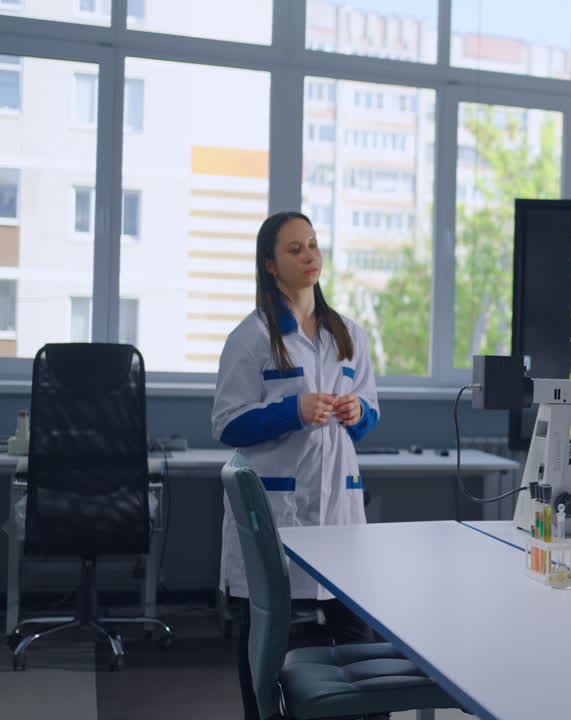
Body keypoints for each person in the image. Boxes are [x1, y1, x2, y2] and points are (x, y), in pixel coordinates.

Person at [212, 211, 381, 720]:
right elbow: (227, 423)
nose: (310, 255)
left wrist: (357, 413)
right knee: (265, 636)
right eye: (295, 249)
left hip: (339, 506)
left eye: (313, 245)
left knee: (355, 627)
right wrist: (293, 411)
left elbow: (369, 417)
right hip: (276, 509)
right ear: (270, 265)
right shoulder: (252, 337)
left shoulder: (348, 334)